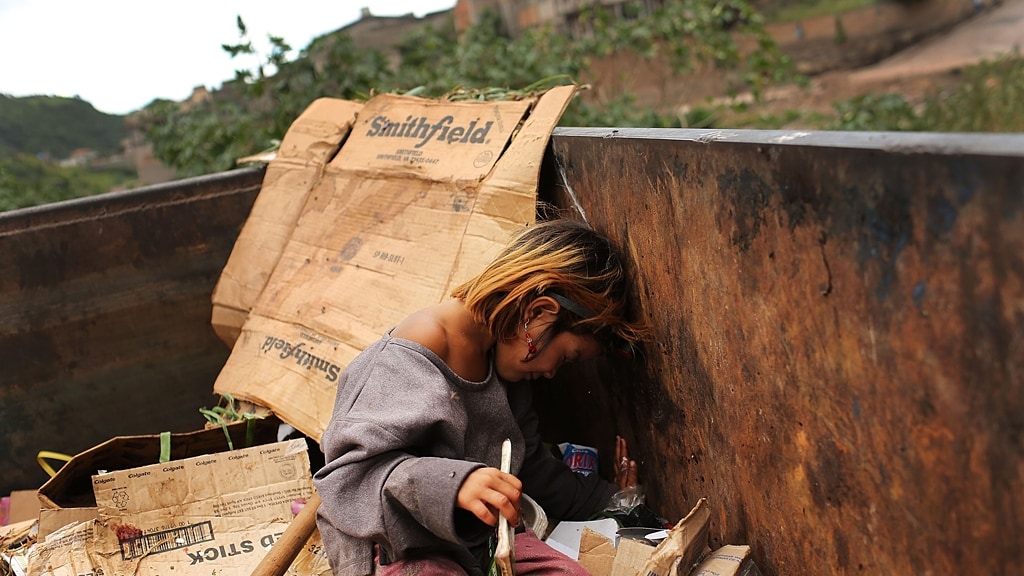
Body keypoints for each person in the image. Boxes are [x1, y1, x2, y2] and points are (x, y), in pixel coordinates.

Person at [313, 218, 647, 576]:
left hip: (481, 542)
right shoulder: (408, 356)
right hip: (399, 548)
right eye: (566, 358)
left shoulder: (505, 369)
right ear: (538, 313)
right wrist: (454, 485)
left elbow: (530, 467)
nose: (552, 373)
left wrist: (614, 502)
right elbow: (348, 478)